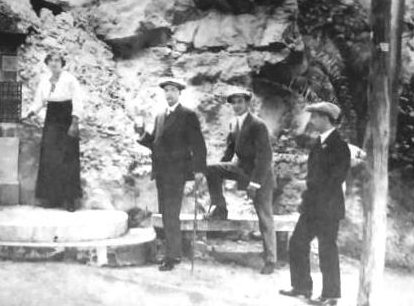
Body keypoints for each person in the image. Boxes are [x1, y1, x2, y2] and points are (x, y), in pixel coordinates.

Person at [280, 102, 350, 306]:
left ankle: (331, 295)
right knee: (297, 243)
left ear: (326, 119)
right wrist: (308, 196)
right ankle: (302, 287)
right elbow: (314, 175)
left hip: (328, 208)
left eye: (315, 116)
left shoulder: (339, 146)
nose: (312, 120)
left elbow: (335, 179)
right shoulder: (318, 143)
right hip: (312, 207)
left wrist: (310, 189)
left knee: (327, 249)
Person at [135, 78, 207, 271]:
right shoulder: (160, 116)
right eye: (166, 90)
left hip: (177, 172)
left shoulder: (188, 115)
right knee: (166, 214)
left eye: (173, 90)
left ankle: (172, 256)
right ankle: (171, 253)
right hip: (161, 172)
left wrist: (198, 171)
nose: (169, 94)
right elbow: (155, 143)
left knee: (171, 214)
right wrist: (141, 134)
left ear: (179, 93)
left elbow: (198, 144)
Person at [204, 87, 277, 275]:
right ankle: (220, 208)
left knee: (265, 217)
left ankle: (271, 260)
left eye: (240, 102)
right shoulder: (234, 123)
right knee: (211, 169)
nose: (236, 106)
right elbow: (229, 151)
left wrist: (255, 183)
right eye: (233, 102)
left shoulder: (257, 125)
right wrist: (220, 170)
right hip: (242, 170)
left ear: (247, 103)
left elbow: (265, 156)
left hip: (261, 176)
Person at [25, 52, 83, 212]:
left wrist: (75, 122)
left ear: (62, 63)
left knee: (67, 157)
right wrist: (30, 113)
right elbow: (39, 101)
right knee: (49, 156)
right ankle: (51, 198)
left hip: (67, 116)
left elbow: (78, 101)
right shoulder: (44, 80)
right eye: (51, 60)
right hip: (51, 118)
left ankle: (69, 200)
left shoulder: (70, 79)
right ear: (47, 63)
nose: (54, 63)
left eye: (57, 60)